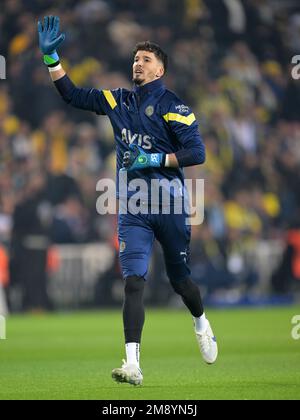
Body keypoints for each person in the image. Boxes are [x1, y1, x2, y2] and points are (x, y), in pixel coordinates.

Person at [38, 15, 218, 386]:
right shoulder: (115, 100)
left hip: (170, 206)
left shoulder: (174, 106)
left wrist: (151, 159)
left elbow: (196, 152)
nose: (138, 63)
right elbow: (72, 94)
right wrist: (52, 61)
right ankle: (132, 363)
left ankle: (201, 322)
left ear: (160, 70)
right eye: (136, 58)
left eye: (146, 59)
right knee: (133, 282)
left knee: (180, 281)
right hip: (134, 207)